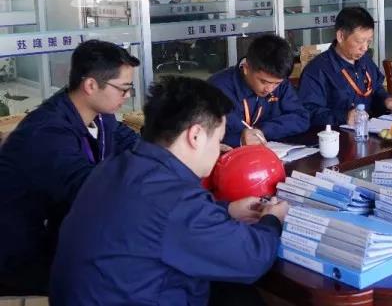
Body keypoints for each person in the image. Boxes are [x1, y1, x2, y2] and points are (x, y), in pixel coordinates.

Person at [50, 76, 288, 305]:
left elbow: (158, 221)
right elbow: (252, 259)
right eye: (218, 140)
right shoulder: (175, 198)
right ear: (195, 136)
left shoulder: (117, 166)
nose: (219, 150)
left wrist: (226, 210)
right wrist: (272, 220)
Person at [0, 40, 141, 295]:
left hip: (65, 234)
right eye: (123, 89)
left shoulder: (100, 116)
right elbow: (89, 189)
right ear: (91, 85)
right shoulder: (47, 132)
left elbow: (132, 143)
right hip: (26, 255)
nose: (128, 96)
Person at [298, 7, 392, 127]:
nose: (364, 48)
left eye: (368, 41)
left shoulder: (365, 60)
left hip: (368, 130)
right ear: (341, 36)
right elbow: (308, 113)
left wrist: (386, 100)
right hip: (337, 135)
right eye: (360, 41)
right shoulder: (317, 70)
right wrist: (344, 116)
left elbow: (375, 89)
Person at [208, 33, 309, 147]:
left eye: (276, 83)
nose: (269, 89)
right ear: (246, 68)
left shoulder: (281, 82)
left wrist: (262, 131)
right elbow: (204, 134)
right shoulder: (217, 89)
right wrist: (239, 139)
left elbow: (301, 118)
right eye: (263, 82)